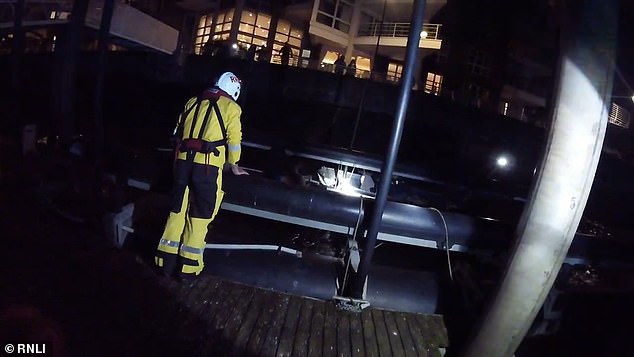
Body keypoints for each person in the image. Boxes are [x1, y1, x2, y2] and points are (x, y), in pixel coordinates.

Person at [155, 71, 248, 281]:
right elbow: (234, 140)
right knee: (200, 216)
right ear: (234, 91)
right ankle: (188, 269)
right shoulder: (232, 108)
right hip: (207, 169)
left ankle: (164, 262)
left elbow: (177, 132)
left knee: (177, 211)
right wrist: (233, 164)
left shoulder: (192, 102)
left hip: (182, 164)